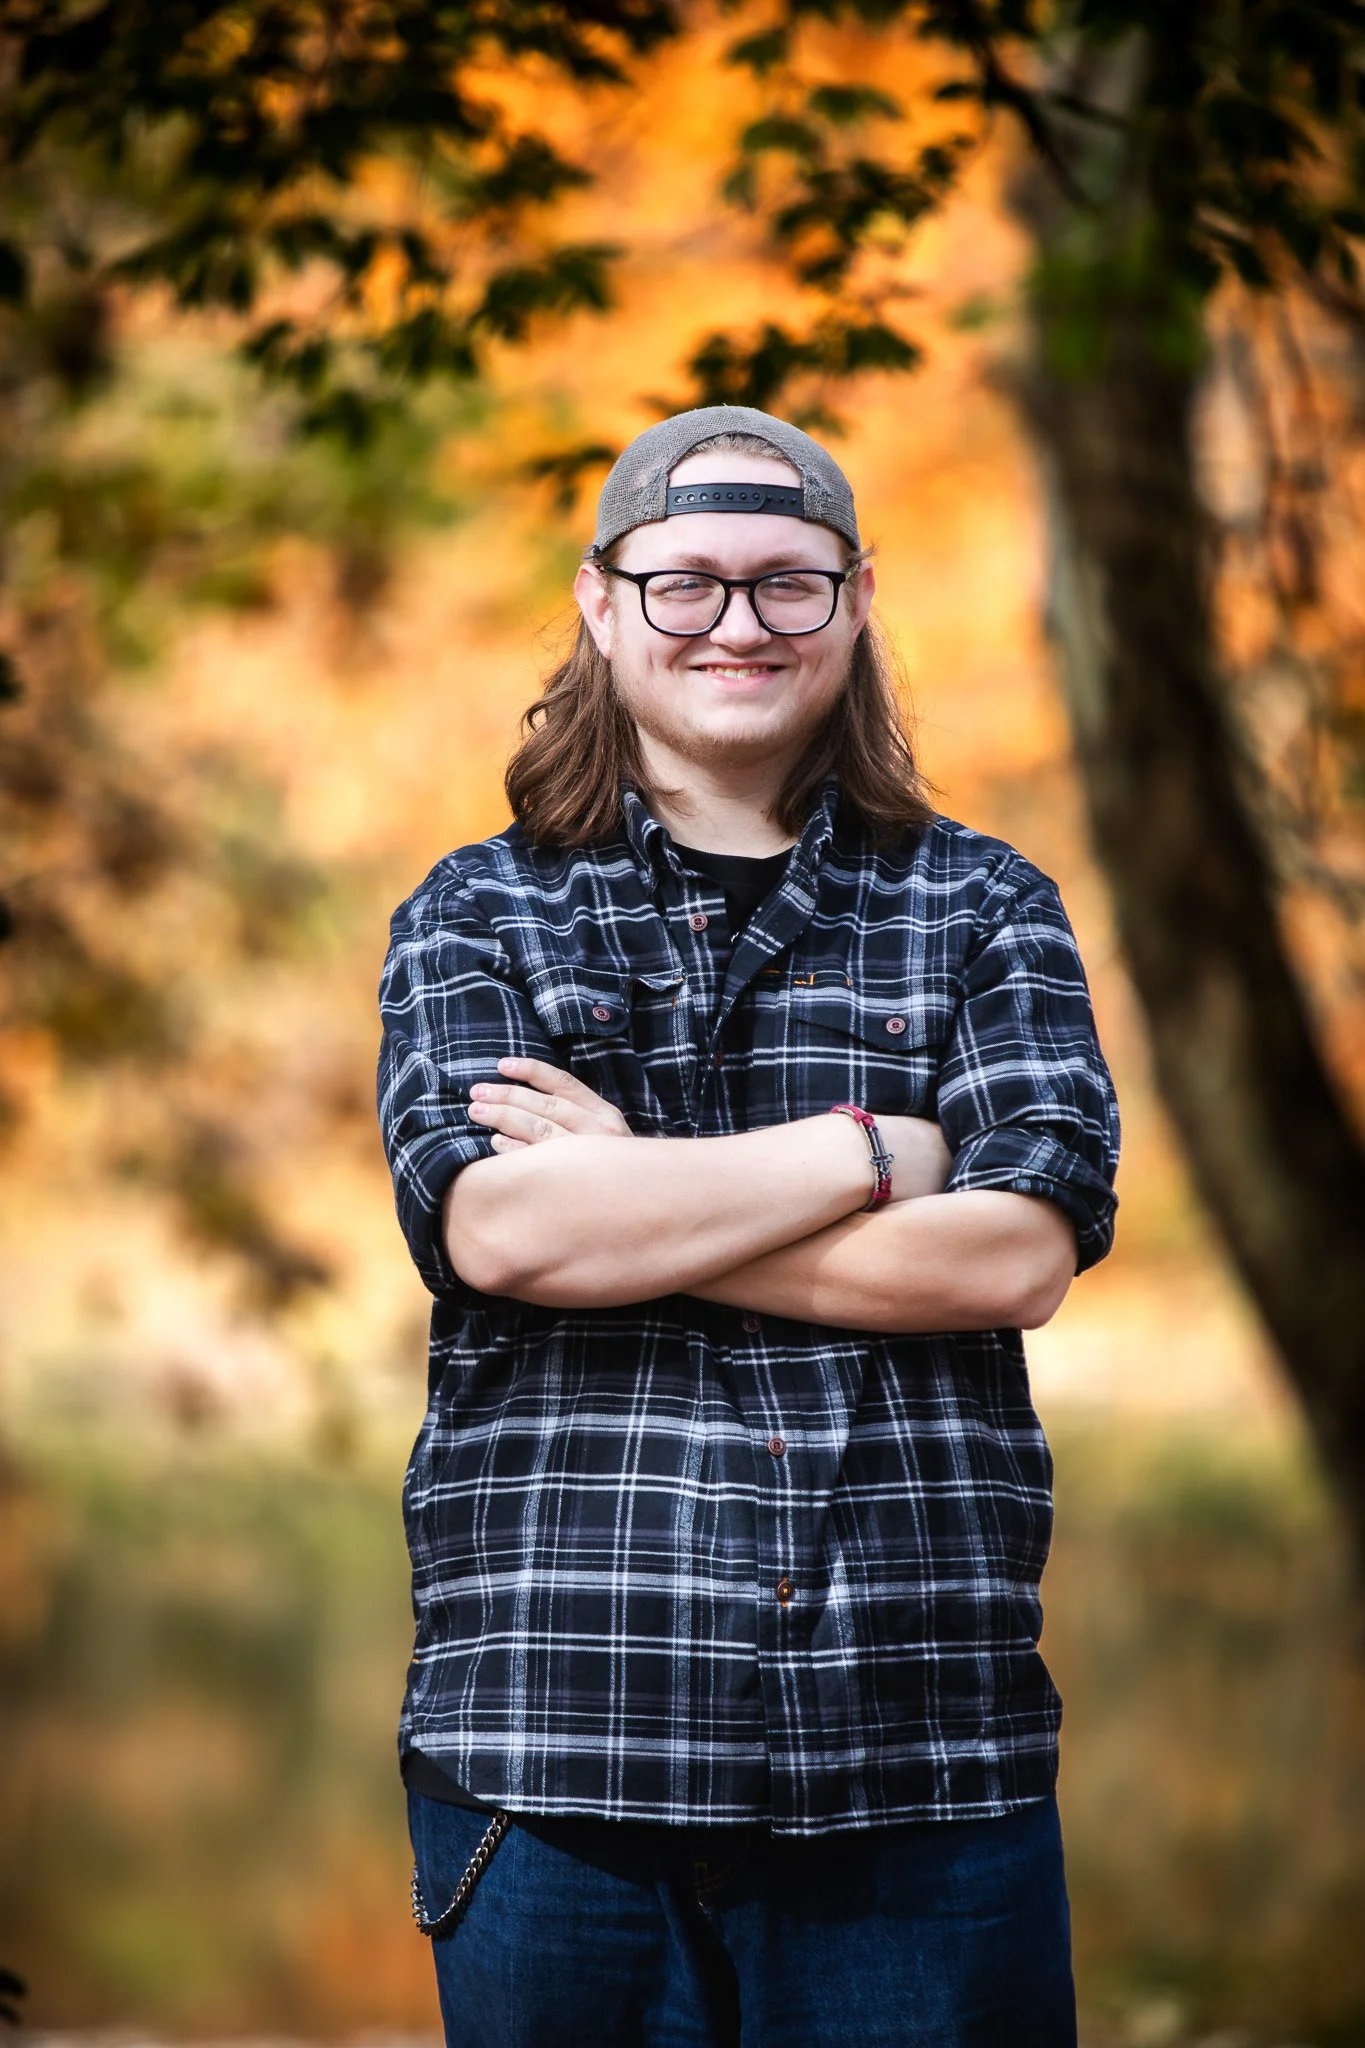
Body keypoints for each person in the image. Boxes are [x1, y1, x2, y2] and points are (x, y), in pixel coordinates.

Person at [378, 404, 1120, 2047]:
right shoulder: (478, 910)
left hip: (922, 1758)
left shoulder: (986, 906)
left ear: (856, 602)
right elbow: (501, 1237)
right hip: (556, 1754)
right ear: (600, 600)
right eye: (686, 583)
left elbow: (1017, 1258)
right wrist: (877, 1146)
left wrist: (630, 1185)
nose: (738, 624)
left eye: (787, 585)